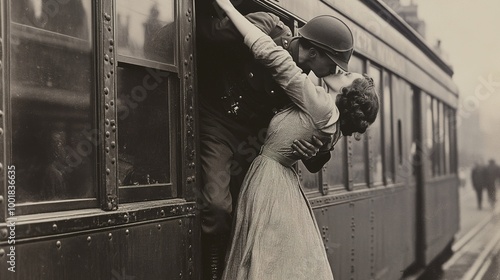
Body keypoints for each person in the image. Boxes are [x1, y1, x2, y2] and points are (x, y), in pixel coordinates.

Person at [213, 0, 379, 278]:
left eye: (346, 74)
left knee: (259, 257)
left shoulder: (323, 106)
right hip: (283, 184)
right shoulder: (332, 120)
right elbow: (315, 149)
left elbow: (273, 58)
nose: (340, 71)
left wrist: (228, 8)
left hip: (268, 179)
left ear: (346, 95)